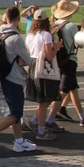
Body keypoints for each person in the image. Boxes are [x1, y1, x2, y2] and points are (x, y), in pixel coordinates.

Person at [0, 6, 36, 155]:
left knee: (13, 111)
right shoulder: (16, 38)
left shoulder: (0, 33)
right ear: (17, 20)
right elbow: (29, 60)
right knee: (16, 113)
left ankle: (19, 142)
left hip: (3, 77)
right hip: (14, 78)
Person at [23, 9, 62, 142]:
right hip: (43, 66)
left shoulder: (30, 35)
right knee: (45, 100)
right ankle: (41, 129)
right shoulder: (46, 35)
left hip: (33, 65)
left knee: (43, 99)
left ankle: (36, 121)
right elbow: (49, 55)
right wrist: (56, 46)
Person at [49, 0, 84, 127]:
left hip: (59, 60)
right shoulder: (71, 26)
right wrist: (83, 30)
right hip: (70, 60)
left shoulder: (54, 25)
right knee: (64, 90)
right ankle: (50, 118)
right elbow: (79, 44)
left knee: (73, 89)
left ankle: (83, 117)